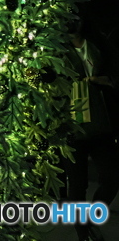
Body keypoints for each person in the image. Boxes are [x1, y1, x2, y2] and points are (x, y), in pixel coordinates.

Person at [65, 18, 119, 241]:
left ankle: (89, 220)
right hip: (71, 126)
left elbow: (115, 71)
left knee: (113, 178)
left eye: (75, 16)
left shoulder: (98, 44)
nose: (71, 21)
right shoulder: (55, 50)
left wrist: (107, 81)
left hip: (100, 123)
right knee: (77, 185)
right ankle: (82, 232)